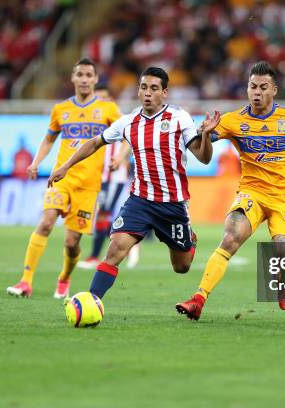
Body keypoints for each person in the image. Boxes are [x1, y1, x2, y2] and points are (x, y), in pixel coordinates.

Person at [175, 61, 285, 320]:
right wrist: (205, 135)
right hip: (252, 194)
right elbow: (202, 156)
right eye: (252, 86)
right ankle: (198, 299)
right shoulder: (233, 121)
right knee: (230, 238)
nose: (256, 92)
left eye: (263, 87)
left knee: (284, 256)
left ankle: (284, 281)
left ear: (274, 90)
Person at [48, 66, 214, 301]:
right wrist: (65, 166)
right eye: (144, 87)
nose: (148, 93)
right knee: (115, 249)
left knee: (182, 267)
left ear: (164, 93)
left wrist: (206, 135)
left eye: (154, 88)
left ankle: (190, 240)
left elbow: (204, 158)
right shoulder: (128, 121)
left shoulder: (179, 118)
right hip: (140, 201)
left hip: (173, 204)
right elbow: (95, 143)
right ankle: (92, 301)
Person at [7, 58, 121, 299]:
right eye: (79, 74)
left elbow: (127, 133)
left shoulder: (108, 109)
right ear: (73, 78)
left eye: (89, 75)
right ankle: (25, 281)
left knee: (71, 242)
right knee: (46, 223)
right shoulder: (61, 110)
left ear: (95, 79)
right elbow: (49, 139)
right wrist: (36, 162)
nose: (84, 79)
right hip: (61, 177)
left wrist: (119, 157)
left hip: (89, 185)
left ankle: (65, 278)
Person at [78, 84, 141, 270]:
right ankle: (129, 244)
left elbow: (128, 141)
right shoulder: (93, 119)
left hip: (113, 176)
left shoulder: (118, 119)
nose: (101, 101)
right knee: (102, 214)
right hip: (97, 175)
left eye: (104, 98)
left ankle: (95, 257)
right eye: (98, 98)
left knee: (103, 214)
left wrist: (120, 159)